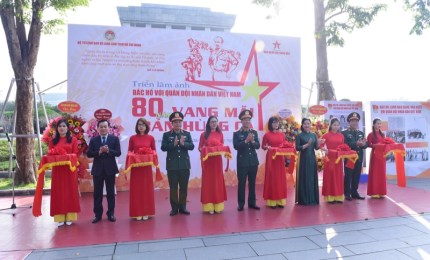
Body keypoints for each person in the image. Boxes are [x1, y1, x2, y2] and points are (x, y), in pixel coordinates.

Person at [87, 119, 121, 223]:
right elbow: (89, 154)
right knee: (97, 193)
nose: (103, 128)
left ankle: (111, 213)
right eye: (101, 127)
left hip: (110, 169)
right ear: (98, 128)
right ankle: (97, 215)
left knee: (110, 193)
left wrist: (108, 150)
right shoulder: (94, 140)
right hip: (97, 170)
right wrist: (99, 151)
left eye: (105, 126)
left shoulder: (114, 139)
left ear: (109, 128)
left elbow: (118, 153)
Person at [161, 112, 195, 216]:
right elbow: (163, 148)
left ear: (182, 123)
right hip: (172, 166)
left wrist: (183, 144)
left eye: (179, 122)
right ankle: (174, 208)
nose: (178, 124)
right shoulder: (167, 135)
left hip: (184, 165)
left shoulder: (187, 134)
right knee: (173, 187)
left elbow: (192, 146)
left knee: (184, 187)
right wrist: (174, 144)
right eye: (175, 122)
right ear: (171, 123)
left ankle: (183, 207)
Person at [48, 119, 80, 226]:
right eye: (60, 126)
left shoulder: (73, 140)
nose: (62, 128)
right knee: (59, 192)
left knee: (70, 191)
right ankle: (60, 217)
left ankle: (70, 216)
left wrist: (66, 156)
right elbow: (49, 155)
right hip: (58, 170)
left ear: (67, 128)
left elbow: (76, 154)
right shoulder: (53, 141)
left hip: (70, 169)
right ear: (57, 128)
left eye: (64, 126)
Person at [127, 118, 156, 220]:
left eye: (143, 124)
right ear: (136, 126)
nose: (141, 126)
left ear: (146, 126)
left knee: (146, 189)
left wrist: (148, 155)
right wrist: (135, 156)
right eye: (139, 124)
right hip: (136, 168)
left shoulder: (151, 138)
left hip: (146, 168)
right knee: (137, 190)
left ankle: (147, 211)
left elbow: (154, 152)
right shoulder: (132, 138)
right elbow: (129, 152)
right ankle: (137, 212)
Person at [198, 116, 227, 214]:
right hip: (207, 162)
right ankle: (209, 207)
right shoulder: (204, 135)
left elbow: (222, 146)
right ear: (208, 124)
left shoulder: (220, 134)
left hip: (217, 162)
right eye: (212, 122)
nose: (214, 123)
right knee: (208, 183)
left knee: (217, 182)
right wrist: (205, 149)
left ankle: (218, 206)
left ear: (217, 123)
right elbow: (200, 147)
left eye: (215, 121)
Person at [233, 109, 261, 211]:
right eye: (245, 120)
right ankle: (241, 204)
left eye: (248, 120)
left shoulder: (254, 132)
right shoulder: (237, 134)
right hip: (242, 162)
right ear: (241, 121)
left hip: (253, 162)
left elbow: (258, 146)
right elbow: (236, 146)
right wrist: (246, 141)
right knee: (242, 183)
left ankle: (252, 203)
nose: (247, 122)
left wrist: (253, 141)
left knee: (252, 183)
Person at [295, 117, 323, 205]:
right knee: (304, 177)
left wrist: (319, 142)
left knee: (312, 178)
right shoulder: (299, 135)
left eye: (308, 123)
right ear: (302, 125)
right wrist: (307, 145)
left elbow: (316, 147)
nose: (307, 125)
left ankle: (313, 199)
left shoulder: (313, 134)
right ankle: (304, 200)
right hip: (303, 159)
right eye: (305, 124)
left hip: (312, 158)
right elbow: (297, 148)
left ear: (310, 125)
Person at [262, 116, 287, 209]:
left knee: (280, 178)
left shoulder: (282, 135)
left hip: (280, 158)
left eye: (277, 123)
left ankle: (280, 201)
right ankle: (272, 201)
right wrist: (267, 147)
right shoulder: (267, 135)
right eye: (274, 123)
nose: (276, 124)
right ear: (270, 124)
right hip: (271, 158)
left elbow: (285, 144)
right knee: (272, 178)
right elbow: (263, 146)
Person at [342, 112, 367, 201]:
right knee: (348, 176)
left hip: (359, 158)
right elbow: (345, 144)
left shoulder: (360, 133)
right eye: (352, 121)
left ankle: (354, 192)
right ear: (349, 122)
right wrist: (356, 143)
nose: (354, 123)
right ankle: (347, 193)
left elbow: (365, 145)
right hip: (349, 158)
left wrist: (364, 144)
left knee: (356, 176)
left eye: (356, 121)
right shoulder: (344, 133)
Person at [321, 118, 345, 203]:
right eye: (334, 125)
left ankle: (338, 196)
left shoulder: (341, 136)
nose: (336, 126)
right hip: (329, 159)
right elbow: (321, 145)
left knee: (338, 177)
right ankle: (330, 197)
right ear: (330, 125)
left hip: (338, 159)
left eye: (337, 125)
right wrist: (325, 151)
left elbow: (343, 147)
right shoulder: (326, 135)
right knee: (330, 177)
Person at [367, 118, 386, 198]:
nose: (379, 125)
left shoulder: (382, 134)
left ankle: (381, 192)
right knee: (375, 173)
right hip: (375, 155)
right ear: (374, 124)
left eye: (380, 124)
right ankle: (374, 192)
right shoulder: (371, 134)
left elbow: (385, 143)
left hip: (382, 156)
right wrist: (375, 146)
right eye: (377, 123)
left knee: (381, 173)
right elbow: (368, 144)